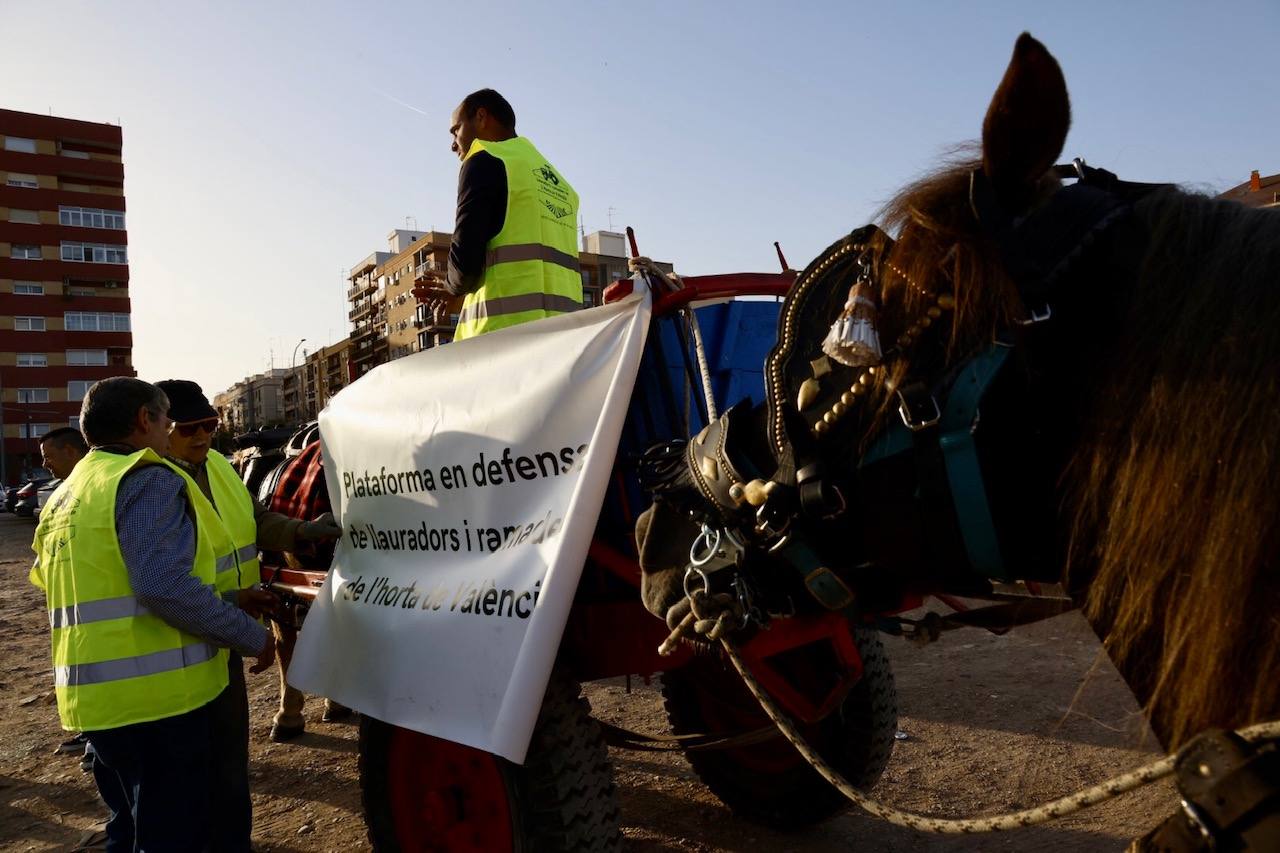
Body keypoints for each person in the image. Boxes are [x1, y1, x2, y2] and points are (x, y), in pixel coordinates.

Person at [29, 377, 277, 852]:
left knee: (128, 829)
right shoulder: (147, 479)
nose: (172, 433)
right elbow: (161, 585)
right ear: (146, 420)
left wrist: (228, 600)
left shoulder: (68, 492)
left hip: (96, 705)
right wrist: (251, 635)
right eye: (169, 421)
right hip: (161, 705)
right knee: (172, 834)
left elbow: (87, 585)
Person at [155, 379, 341, 852]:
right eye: (189, 428)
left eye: (209, 425)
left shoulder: (218, 466)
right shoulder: (150, 486)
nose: (202, 436)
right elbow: (163, 584)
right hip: (169, 654)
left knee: (229, 767)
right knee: (175, 788)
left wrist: (303, 530)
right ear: (156, 427)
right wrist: (246, 626)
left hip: (220, 646)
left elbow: (255, 522)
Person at [441, 88, 583, 340]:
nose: (453, 144)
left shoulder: (484, 160)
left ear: (482, 117)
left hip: (503, 342)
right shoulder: (562, 186)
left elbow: (464, 267)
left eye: (456, 130)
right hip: (564, 341)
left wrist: (450, 287)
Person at [37, 427, 95, 764]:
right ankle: (93, 735)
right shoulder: (65, 493)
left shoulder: (94, 489)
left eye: (49, 456)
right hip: (75, 614)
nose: (44, 464)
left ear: (72, 451)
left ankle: (99, 744)